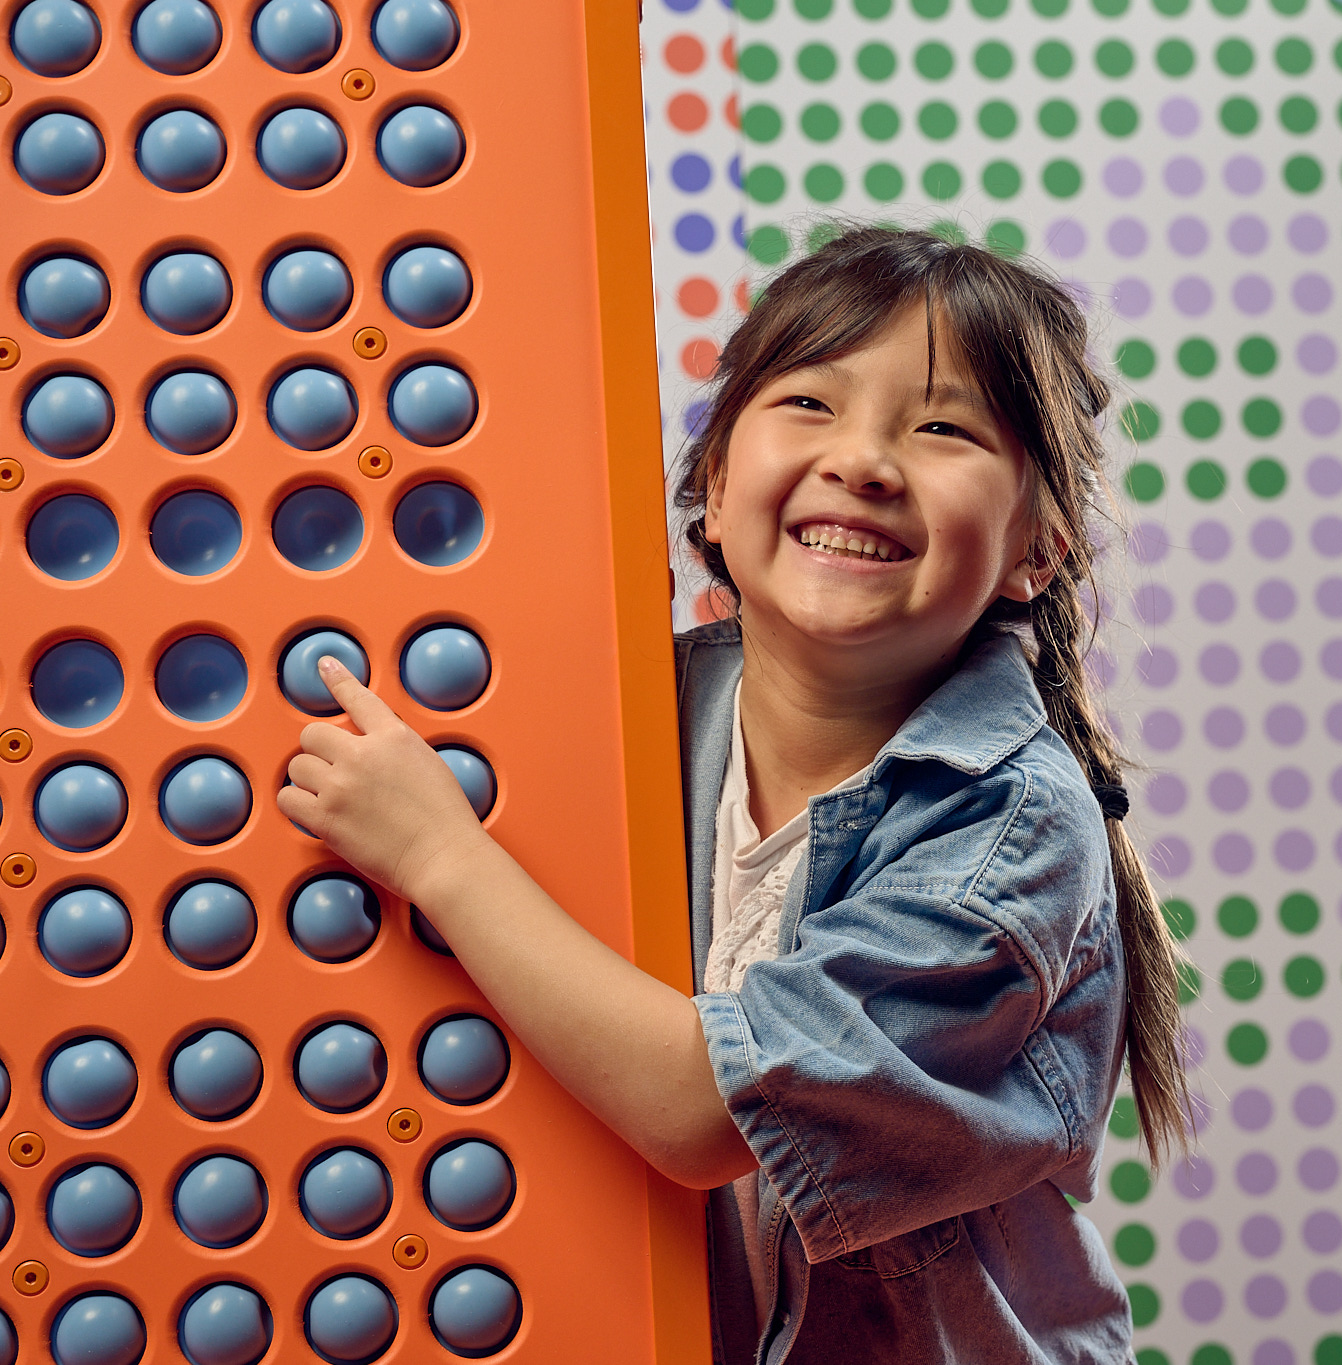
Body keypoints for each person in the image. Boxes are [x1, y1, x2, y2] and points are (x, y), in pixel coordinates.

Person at [279, 222, 1191, 1364]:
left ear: (1034, 553)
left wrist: (442, 861)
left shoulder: (1009, 828)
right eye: (810, 404)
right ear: (712, 487)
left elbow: (704, 1112)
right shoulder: (625, 717)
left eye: (943, 428)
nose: (862, 459)